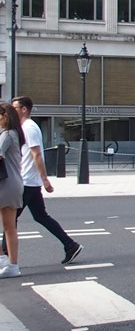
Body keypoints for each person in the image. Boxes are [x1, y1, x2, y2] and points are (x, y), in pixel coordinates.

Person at [2, 97, 82, 267]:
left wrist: (44, 179)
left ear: (24, 109)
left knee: (10, 220)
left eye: (14, 107)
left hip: (27, 180)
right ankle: (70, 245)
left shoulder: (29, 128)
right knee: (40, 216)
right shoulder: (22, 128)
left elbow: (36, 154)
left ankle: (6, 259)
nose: (11, 110)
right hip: (28, 180)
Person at [0, 102, 25, 278]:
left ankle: (5, 261)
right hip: (13, 183)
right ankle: (11, 264)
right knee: (10, 227)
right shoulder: (15, 134)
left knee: (9, 227)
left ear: (5, 117)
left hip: (5, 184)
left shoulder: (7, 135)